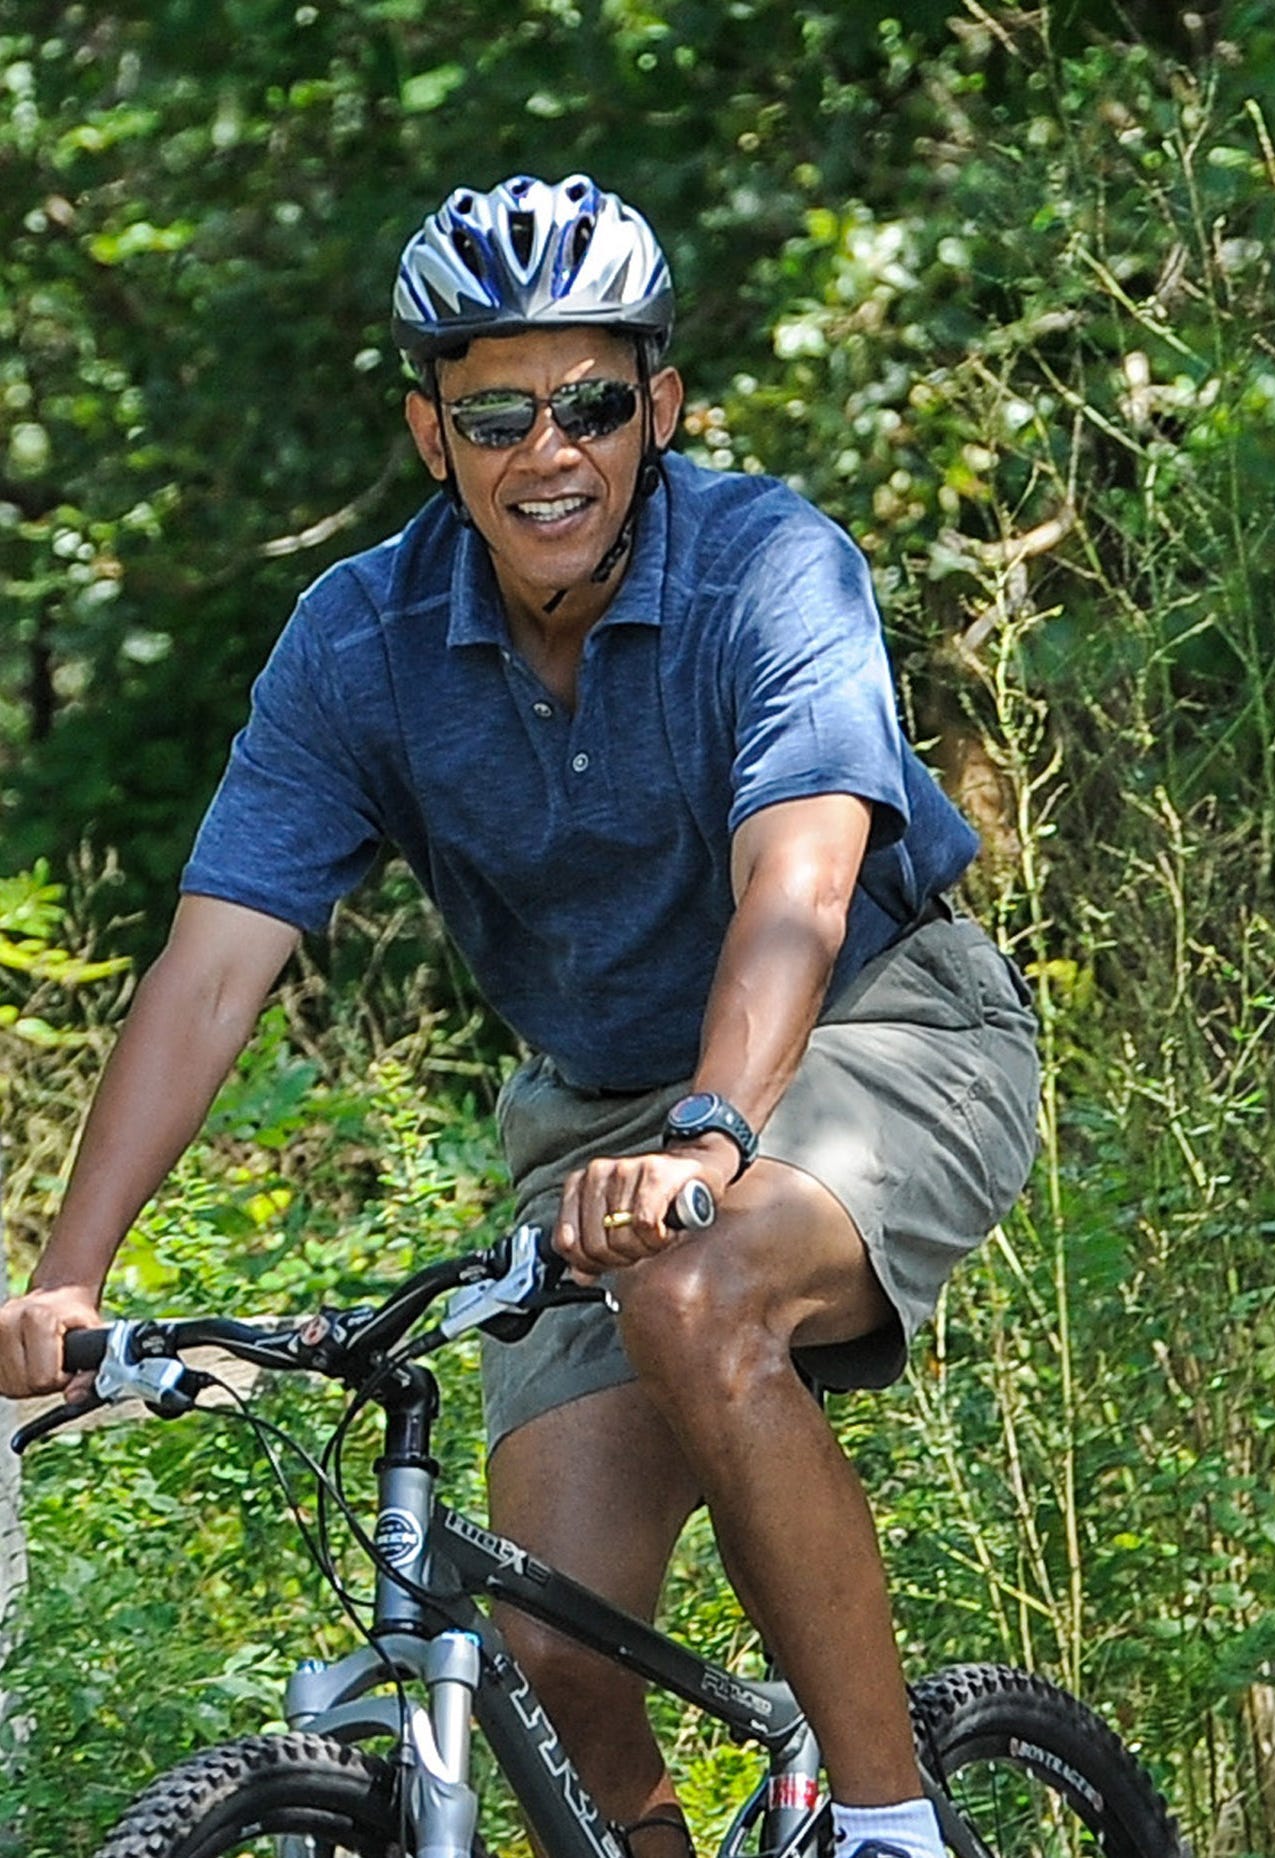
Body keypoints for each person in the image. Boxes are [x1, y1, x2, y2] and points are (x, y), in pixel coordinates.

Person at [0, 173, 1040, 1858]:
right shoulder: (359, 645)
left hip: (880, 1026)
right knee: (547, 1639)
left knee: (700, 1296)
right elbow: (210, 965)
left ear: (662, 411)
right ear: (431, 433)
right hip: (596, 1118)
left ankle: (890, 1818)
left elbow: (802, 887)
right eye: (496, 409)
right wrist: (70, 1274)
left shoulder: (769, 566)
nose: (548, 449)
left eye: (593, 402)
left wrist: (711, 1131)